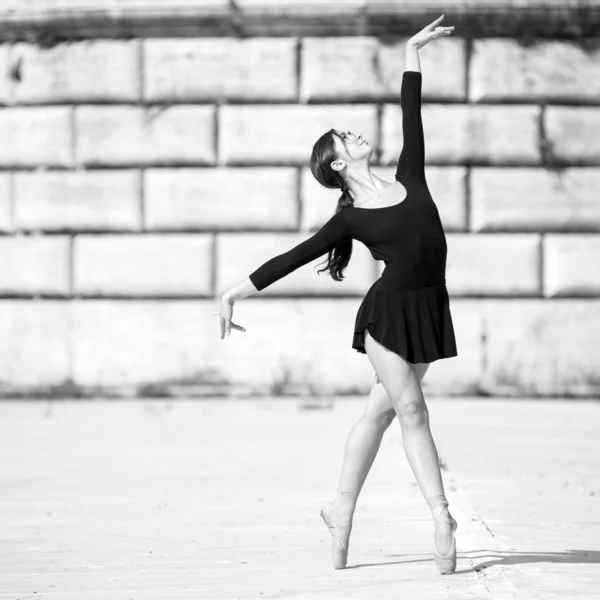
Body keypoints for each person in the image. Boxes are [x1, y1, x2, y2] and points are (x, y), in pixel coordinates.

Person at [215, 15, 459, 575]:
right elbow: (291, 258)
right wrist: (232, 292)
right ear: (338, 163)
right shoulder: (347, 222)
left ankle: (339, 510)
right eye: (346, 138)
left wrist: (411, 51)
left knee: (378, 414)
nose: (356, 134)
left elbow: (411, 112)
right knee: (412, 409)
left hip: (429, 307)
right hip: (387, 315)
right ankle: (442, 518)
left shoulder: (411, 177)